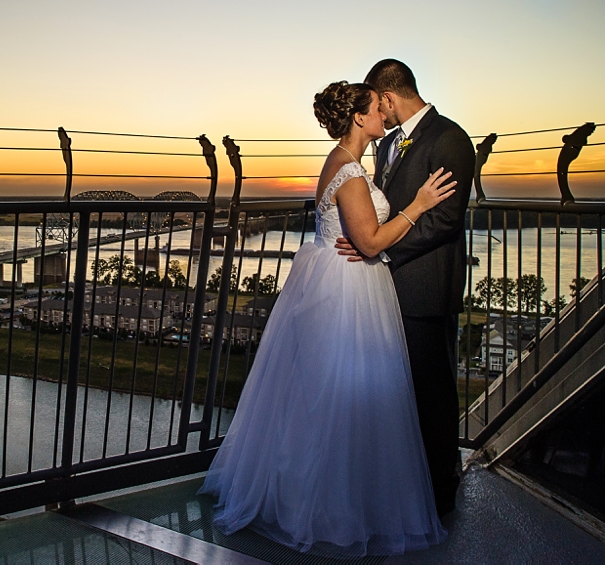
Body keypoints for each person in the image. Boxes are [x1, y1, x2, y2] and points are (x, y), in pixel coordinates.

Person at [199, 81, 454, 557]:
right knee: (347, 397)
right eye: (377, 108)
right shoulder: (350, 172)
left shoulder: (343, 162)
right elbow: (370, 242)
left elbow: (358, 233)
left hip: (336, 280)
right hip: (349, 289)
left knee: (324, 397)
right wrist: (418, 205)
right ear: (359, 117)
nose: (385, 115)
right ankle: (332, 511)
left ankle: (317, 500)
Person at [337, 59, 475, 516]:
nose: (379, 113)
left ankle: (440, 492)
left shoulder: (449, 138)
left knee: (432, 393)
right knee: (396, 393)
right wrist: (370, 241)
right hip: (386, 290)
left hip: (426, 290)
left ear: (388, 98)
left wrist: (380, 249)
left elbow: (445, 219)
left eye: (379, 104)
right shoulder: (388, 143)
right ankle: (403, 485)